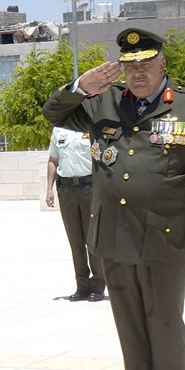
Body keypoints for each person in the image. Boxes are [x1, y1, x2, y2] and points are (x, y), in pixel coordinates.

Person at [42, 28, 185, 370]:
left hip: (166, 239)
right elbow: (53, 113)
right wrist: (80, 87)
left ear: (162, 64)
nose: (137, 72)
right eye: (129, 65)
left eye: (145, 63)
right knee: (131, 335)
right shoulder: (102, 104)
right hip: (114, 238)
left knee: (164, 331)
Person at [45, 126, 105, 301]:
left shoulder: (92, 125)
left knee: (91, 238)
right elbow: (53, 160)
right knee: (75, 240)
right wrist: (49, 188)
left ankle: (98, 285)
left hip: (89, 187)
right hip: (66, 189)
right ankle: (82, 285)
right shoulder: (58, 130)